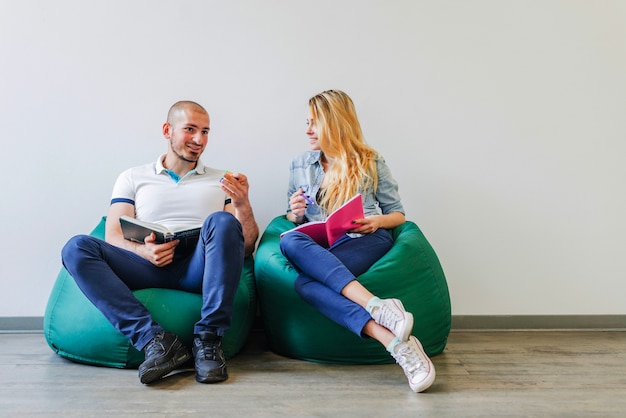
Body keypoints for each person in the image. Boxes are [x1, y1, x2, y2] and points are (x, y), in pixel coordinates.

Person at [61, 100, 259, 385]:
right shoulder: (133, 176)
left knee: (223, 221)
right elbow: (113, 234)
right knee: (76, 247)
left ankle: (208, 340)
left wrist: (243, 204)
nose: (199, 139)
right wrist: (143, 250)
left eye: (205, 132)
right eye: (190, 129)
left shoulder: (222, 180)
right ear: (167, 130)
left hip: (199, 266)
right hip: (146, 262)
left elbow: (247, 246)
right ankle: (155, 341)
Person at [279, 90, 436, 393]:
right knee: (290, 243)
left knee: (303, 284)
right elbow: (290, 217)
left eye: (315, 123)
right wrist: (294, 213)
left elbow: (398, 214)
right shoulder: (300, 164)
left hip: (366, 239)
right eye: (307, 122)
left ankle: (385, 323)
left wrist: (377, 221)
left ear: (335, 123)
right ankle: (392, 335)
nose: (307, 130)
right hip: (324, 246)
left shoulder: (370, 160)